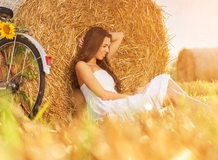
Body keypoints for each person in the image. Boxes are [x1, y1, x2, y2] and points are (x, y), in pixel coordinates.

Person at [73, 26, 213, 122]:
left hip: (115, 102)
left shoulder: (101, 63)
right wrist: (134, 96)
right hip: (105, 108)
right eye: (104, 46)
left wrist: (93, 37)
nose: (107, 50)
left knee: (164, 79)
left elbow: (120, 36)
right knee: (170, 94)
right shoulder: (82, 66)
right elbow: (104, 95)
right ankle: (211, 114)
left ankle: (200, 112)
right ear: (93, 44)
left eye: (108, 46)